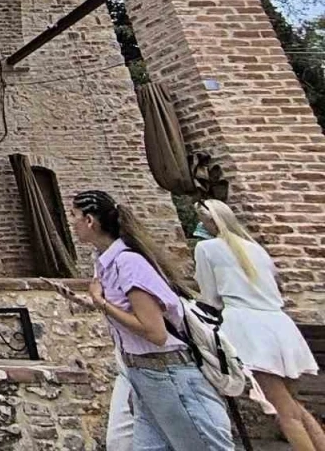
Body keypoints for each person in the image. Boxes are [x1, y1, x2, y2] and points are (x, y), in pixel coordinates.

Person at [71, 189, 233, 451]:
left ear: (90, 220)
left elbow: (154, 332)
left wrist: (102, 303)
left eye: (75, 216)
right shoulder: (105, 263)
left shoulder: (128, 263)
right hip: (144, 372)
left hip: (168, 372)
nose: (72, 224)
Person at [194, 199, 323, 451]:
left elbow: (210, 298)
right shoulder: (256, 250)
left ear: (209, 222)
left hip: (249, 327)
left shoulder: (207, 249)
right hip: (280, 325)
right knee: (293, 405)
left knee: (285, 412)